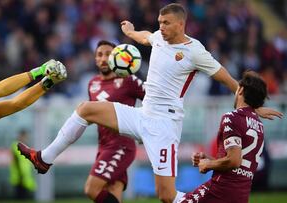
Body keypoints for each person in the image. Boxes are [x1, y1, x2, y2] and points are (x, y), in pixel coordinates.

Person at [17, 3, 282, 203]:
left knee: (166, 196)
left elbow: (226, 78)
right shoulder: (158, 37)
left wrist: (251, 106)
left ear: (180, 24)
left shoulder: (195, 51)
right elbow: (147, 36)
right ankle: (44, 158)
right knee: (86, 109)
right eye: (159, 22)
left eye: (166, 23)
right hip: (143, 114)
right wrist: (131, 32)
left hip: (165, 125)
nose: (161, 27)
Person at [180, 71, 267, 203]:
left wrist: (208, 164)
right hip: (241, 195)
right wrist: (208, 159)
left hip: (221, 190)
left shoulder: (232, 117)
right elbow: (238, 166)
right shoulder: (259, 125)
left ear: (241, 90)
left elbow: (234, 161)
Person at [84, 40, 145, 203]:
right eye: (99, 55)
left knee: (91, 189)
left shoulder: (129, 80)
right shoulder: (92, 84)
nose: (103, 59)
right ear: (95, 59)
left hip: (121, 145)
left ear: (116, 57)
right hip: (103, 145)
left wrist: (143, 129)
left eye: (108, 54)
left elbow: (153, 100)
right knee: (111, 193)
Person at [10, 129, 36, 199]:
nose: (25, 138)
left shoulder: (26, 147)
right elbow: (16, 161)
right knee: (20, 197)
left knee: (25, 198)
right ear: (20, 136)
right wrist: (21, 175)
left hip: (26, 177)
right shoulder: (16, 146)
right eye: (24, 136)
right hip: (20, 177)